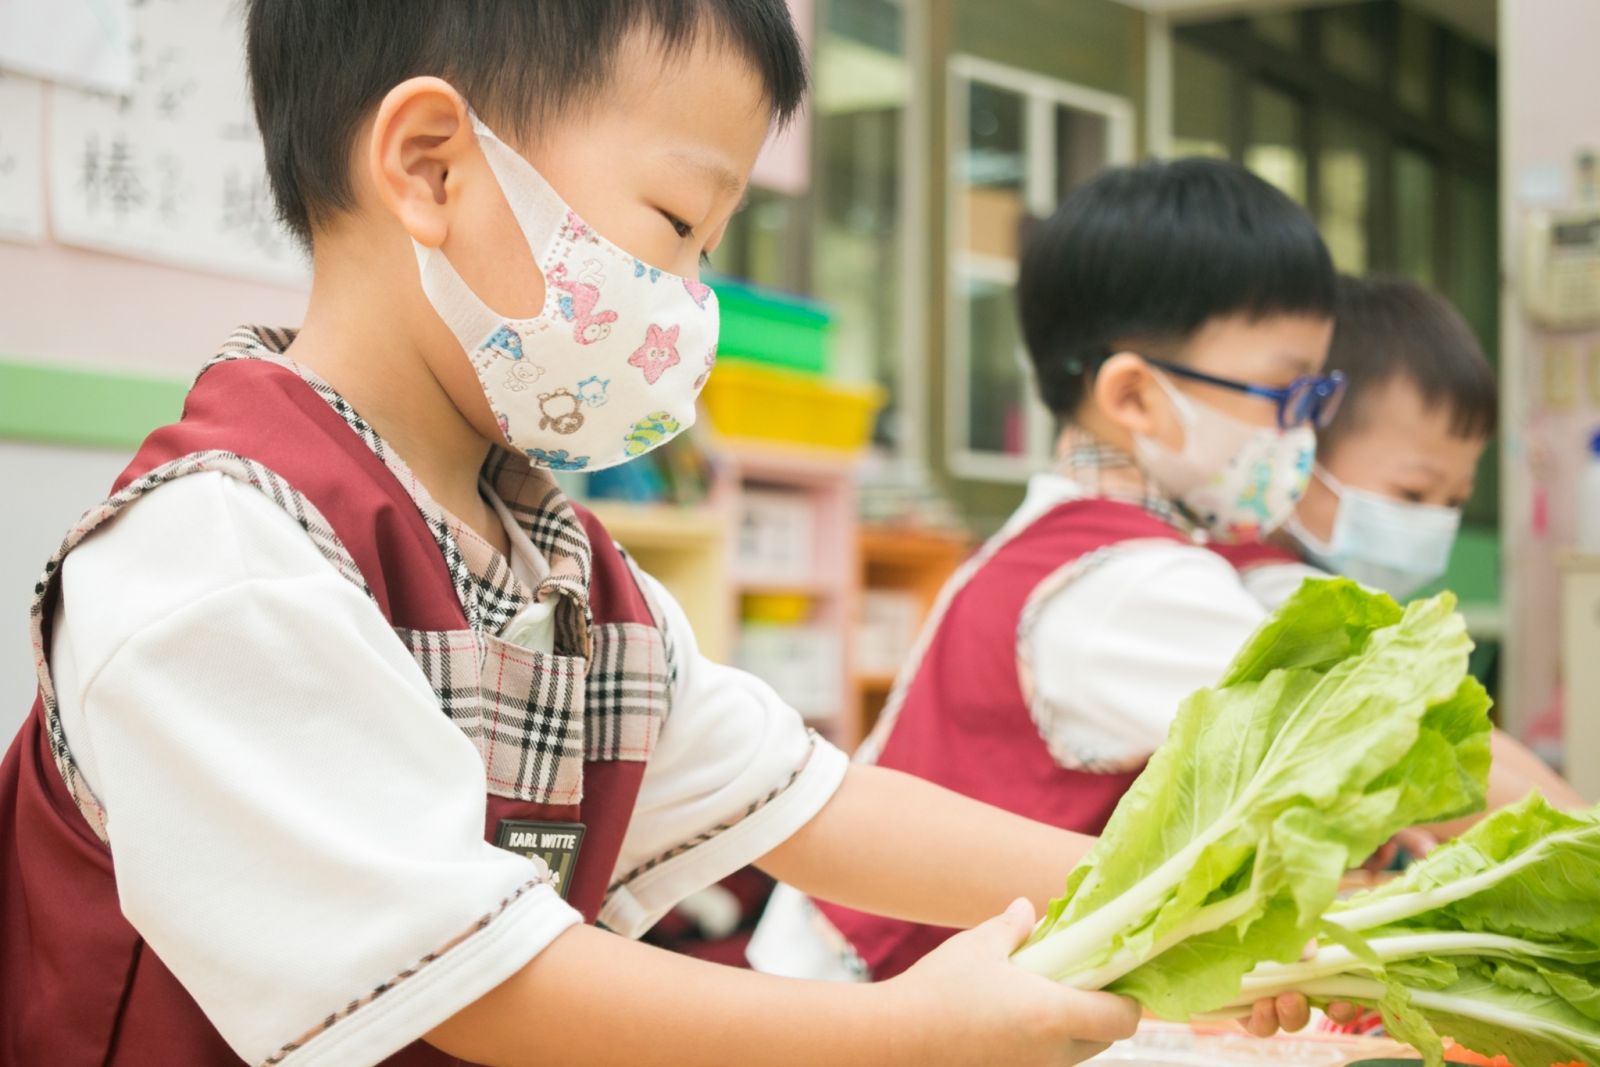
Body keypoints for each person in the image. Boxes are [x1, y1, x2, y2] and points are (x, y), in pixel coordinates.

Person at [0, 6, 1333, 1064]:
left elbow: (812, 803)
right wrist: (904, 1034)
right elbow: (485, 979)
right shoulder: (217, 561)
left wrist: (1173, 901)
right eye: (673, 228)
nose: (689, 301)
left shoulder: (554, 557)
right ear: (430, 164)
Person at [752, 158, 1348, 982]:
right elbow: (1370, 740)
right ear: (1135, 397)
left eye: (1320, 395)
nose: (1305, 431)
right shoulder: (1130, 583)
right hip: (882, 996)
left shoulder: (1079, 538)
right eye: (1287, 394)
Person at [1220, 273, 1584, 850]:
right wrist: (1577, 841)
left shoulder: (1325, 591)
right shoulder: (1262, 594)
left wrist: (1582, 825)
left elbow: (1464, 739)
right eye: (1414, 494)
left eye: (1456, 501)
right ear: (1300, 453)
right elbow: (1432, 764)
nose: (1435, 520)